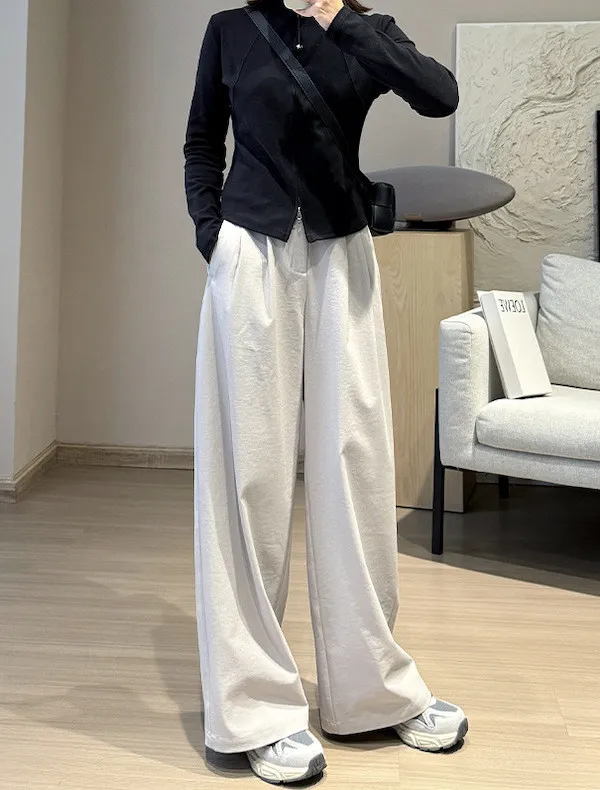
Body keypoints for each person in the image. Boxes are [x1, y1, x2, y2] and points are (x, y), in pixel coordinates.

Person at [184, 0, 466, 784]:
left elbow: (438, 94)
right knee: (250, 477)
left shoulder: (367, 29)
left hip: (343, 254)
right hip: (251, 253)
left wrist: (342, 17)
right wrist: (212, 235)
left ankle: (372, 692)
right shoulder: (230, 30)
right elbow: (202, 140)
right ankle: (254, 709)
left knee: (357, 467)